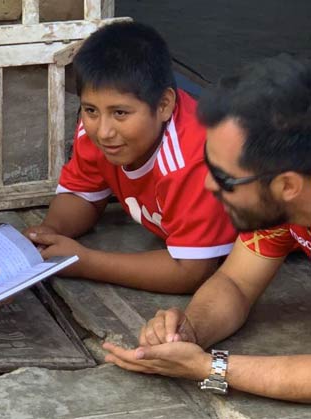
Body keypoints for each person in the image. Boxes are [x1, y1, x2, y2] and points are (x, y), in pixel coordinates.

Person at [103, 55, 311, 403]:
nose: (209, 186)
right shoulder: (286, 204)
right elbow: (236, 283)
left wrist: (210, 368)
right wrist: (188, 332)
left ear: (287, 185)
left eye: (224, 177)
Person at [25, 22, 236, 293]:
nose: (103, 131)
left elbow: (191, 271)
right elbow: (81, 194)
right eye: (90, 110)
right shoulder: (97, 130)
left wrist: (84, 261)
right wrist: (48, 233)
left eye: (120, 113)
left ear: (163, 105)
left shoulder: (193, 160)